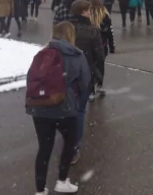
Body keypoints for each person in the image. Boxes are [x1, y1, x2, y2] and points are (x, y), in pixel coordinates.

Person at [27, 21, 89, 195]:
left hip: (40, 107)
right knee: (69, 143)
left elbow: (30, 78)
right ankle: (62, 180)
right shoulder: (76, 55)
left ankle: (40, 189)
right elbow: (84, 82)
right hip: (65, 107)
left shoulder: (42, 53)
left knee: (44, 148)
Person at [67, 0, 103, 165]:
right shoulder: (91, 30)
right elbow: (99, 55)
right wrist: (99, 74)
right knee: (80, 111)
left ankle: (67, 140)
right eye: (88, 10)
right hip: (84, 74)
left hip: (65, 74)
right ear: (82, 12)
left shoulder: (65, 28)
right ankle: (73, 147)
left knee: (67, 109)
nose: (90, 13)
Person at [89, 0, 114, 95]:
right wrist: (112, 46)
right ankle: (100, 85)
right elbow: (110, 32)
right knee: (100, 65)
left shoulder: (88, 15)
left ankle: (91, 90)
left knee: (91, 67)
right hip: (102, 45)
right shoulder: (105, 15)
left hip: (90, 46)